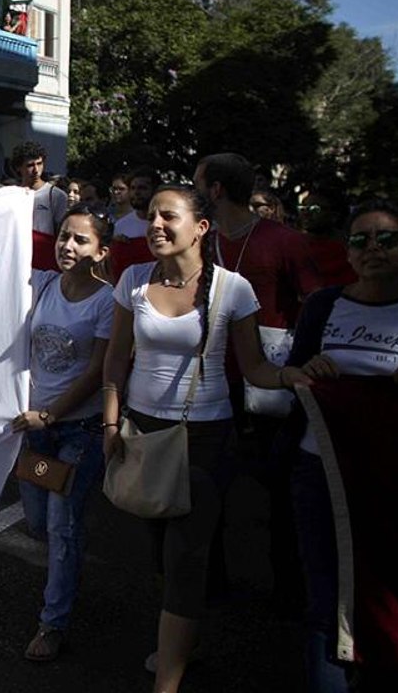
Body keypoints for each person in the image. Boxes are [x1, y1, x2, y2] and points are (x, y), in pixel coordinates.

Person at [102, 185, 309, 693]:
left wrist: (292, 376)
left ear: (200, 228)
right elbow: (116, 359)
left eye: (168, 216)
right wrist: (110, 424)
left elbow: (254, 367)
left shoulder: (232, 288)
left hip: (206, 438)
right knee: (158, 552)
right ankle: (184, 638)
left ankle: (167, 682)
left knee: (185, 557)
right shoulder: (133, 279)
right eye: (151, 216)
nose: (155, 224)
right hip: (142, 432)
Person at [282, 201, 398, 692]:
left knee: (393, 593)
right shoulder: (323, 305)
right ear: (348, 253)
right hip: (322, 472)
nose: (373, 248)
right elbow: (290, 372)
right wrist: (304, 372)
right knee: (327, 599)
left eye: (386, 238)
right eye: (360, 240)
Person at [196, 153, 320, 611]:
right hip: (213, 379)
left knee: (280, 492)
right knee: (208, 488)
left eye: (197, 183)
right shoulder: (204, 241)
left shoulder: (284, 241)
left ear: (215, 190)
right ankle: (210, 585)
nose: (193, 191)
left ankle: (290, 590)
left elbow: (313, 304)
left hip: (271, 381)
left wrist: (300, 364)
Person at [15, 204, 116, 662]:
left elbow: (97, 371)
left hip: (78, 432)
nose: (67, 246)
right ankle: (70, 572)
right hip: (37, 434)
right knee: (38, 523)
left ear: (101, 252)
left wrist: (52, 414)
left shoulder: (108, 302)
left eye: (80, 240)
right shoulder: (42, 284)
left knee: (62, 527)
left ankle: (52, 623)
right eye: (63, 236)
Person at [297, 190, 358, 288]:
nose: (306, 214)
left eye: (315, 209)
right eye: (303, 208)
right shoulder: (291, 246)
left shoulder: (352, 250)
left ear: (334, 215)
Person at [11, 142, 67, 235]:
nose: (36, 170)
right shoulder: (12, 195)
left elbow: (62, 232)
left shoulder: (57, 196)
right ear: (18, 167)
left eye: (39, 163)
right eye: (30, 165)